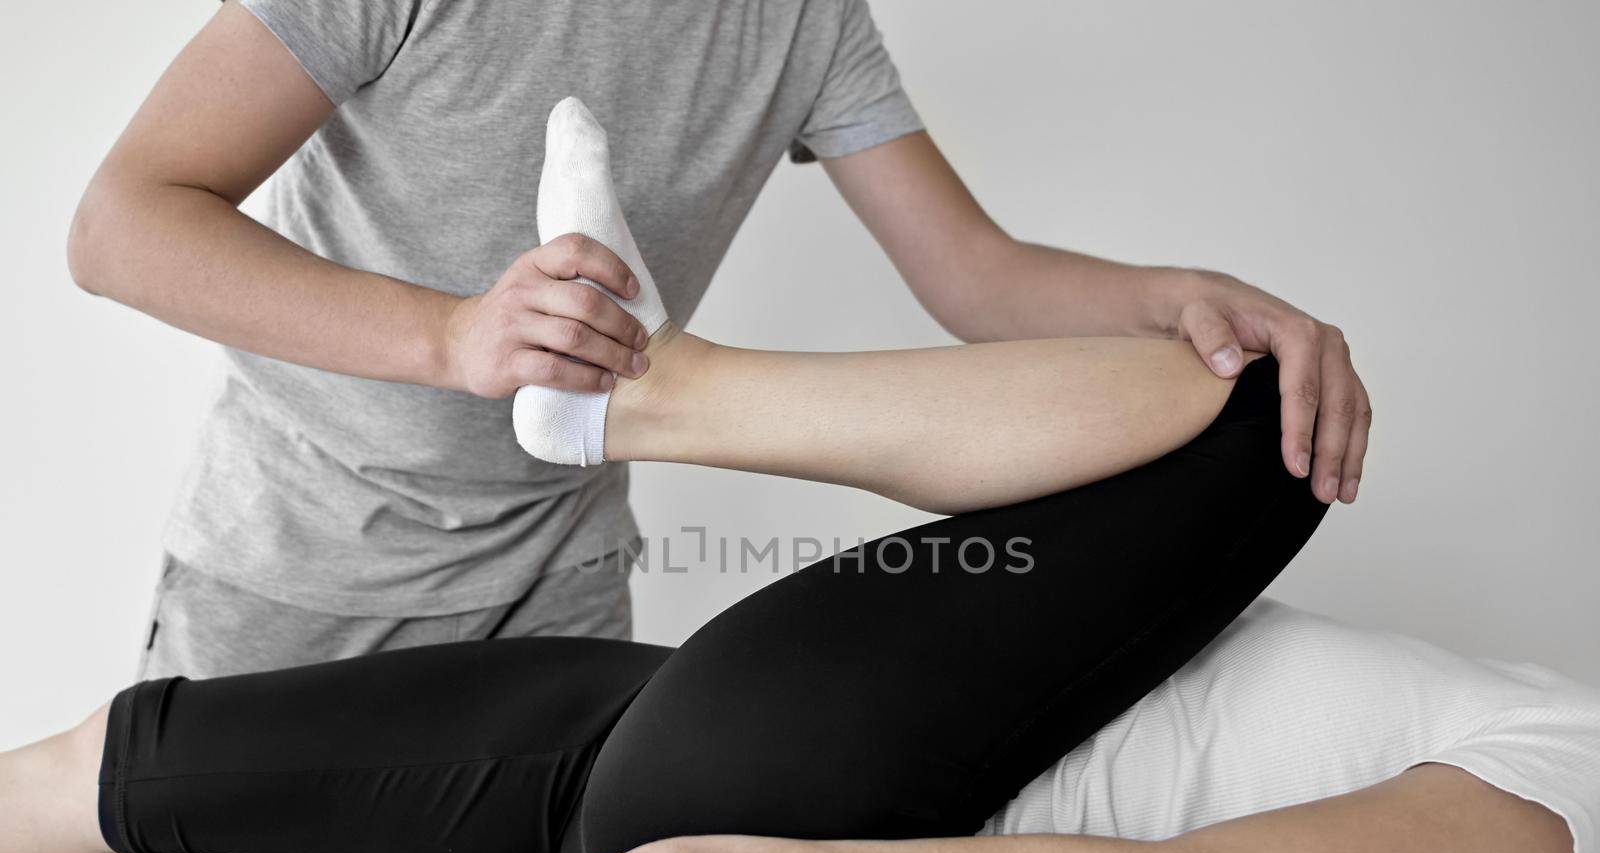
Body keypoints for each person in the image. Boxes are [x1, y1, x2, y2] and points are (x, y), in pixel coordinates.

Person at [7, 104, 1587, 853]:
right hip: (721, 723)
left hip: (788, 800)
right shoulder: (1553, 709)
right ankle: (649, 402)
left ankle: (657, 394)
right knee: (135, 763)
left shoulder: (1577, 801)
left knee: (1256, 426)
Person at [65, 0, 1371, 681]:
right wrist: (454, 339)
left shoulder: (803, 19)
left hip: (558, 589)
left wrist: (1187, 296)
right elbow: (123, 225)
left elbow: (978, 278)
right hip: (292, 580)